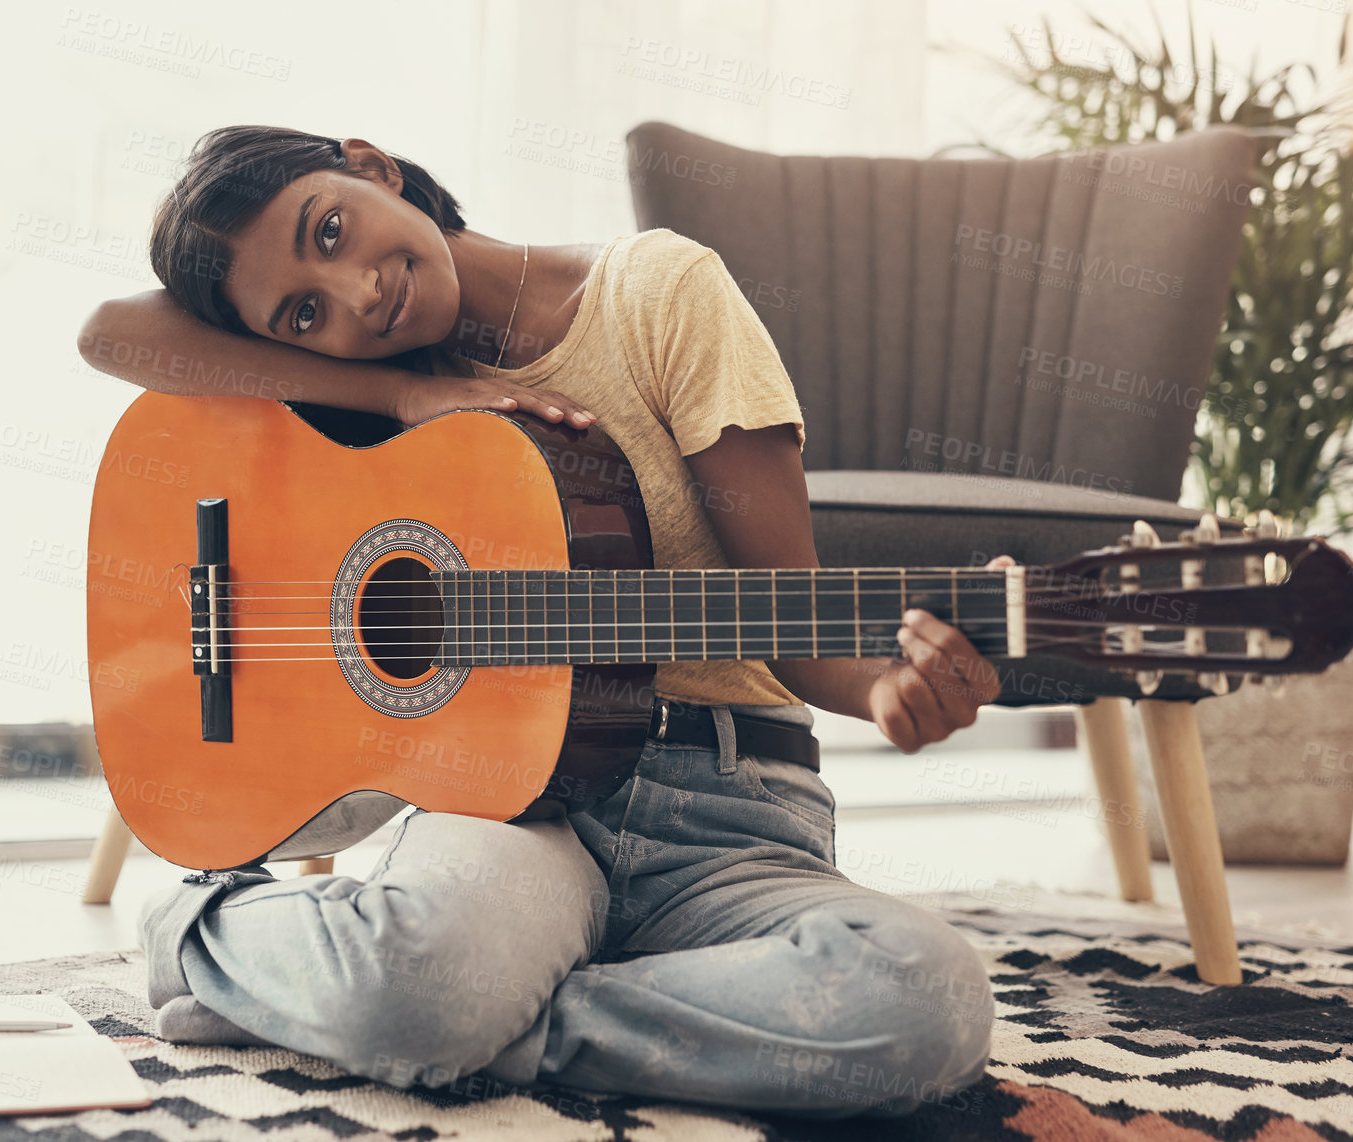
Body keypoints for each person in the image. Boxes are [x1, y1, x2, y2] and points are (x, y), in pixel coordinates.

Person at [77, 125, 1011, 1120]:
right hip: (511, 813)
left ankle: (483, 1021)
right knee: (424, 980)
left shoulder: (656, 294)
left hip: (729, 816)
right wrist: (405, 392)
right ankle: (210, 929)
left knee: (925, 1000)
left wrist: (880, 685)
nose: (356, 292)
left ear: (374, 164)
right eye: (303, 312)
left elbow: (792, 619)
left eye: (333, 228)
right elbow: (108, 332)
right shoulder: (374, 402)